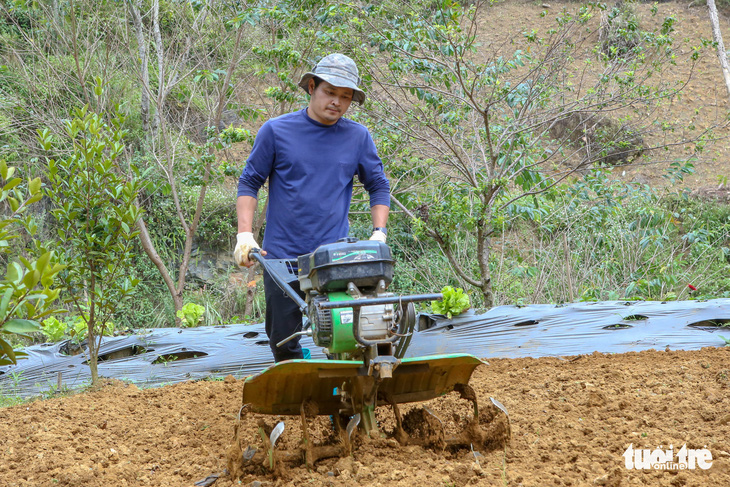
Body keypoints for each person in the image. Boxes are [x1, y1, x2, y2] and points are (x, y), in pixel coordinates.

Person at [234, 53, 391, 362]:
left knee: (347, 333)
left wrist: (379, 233)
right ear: (311, 87)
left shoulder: (357, 137)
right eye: (330, 92)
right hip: (282, 257)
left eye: (345, 97)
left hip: (334, 259)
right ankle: (302, 387)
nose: (337, 102)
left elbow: (379, 185)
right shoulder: (276, 131)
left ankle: (345, 402)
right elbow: (249, 182)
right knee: (283, 339)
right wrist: (244, 235)